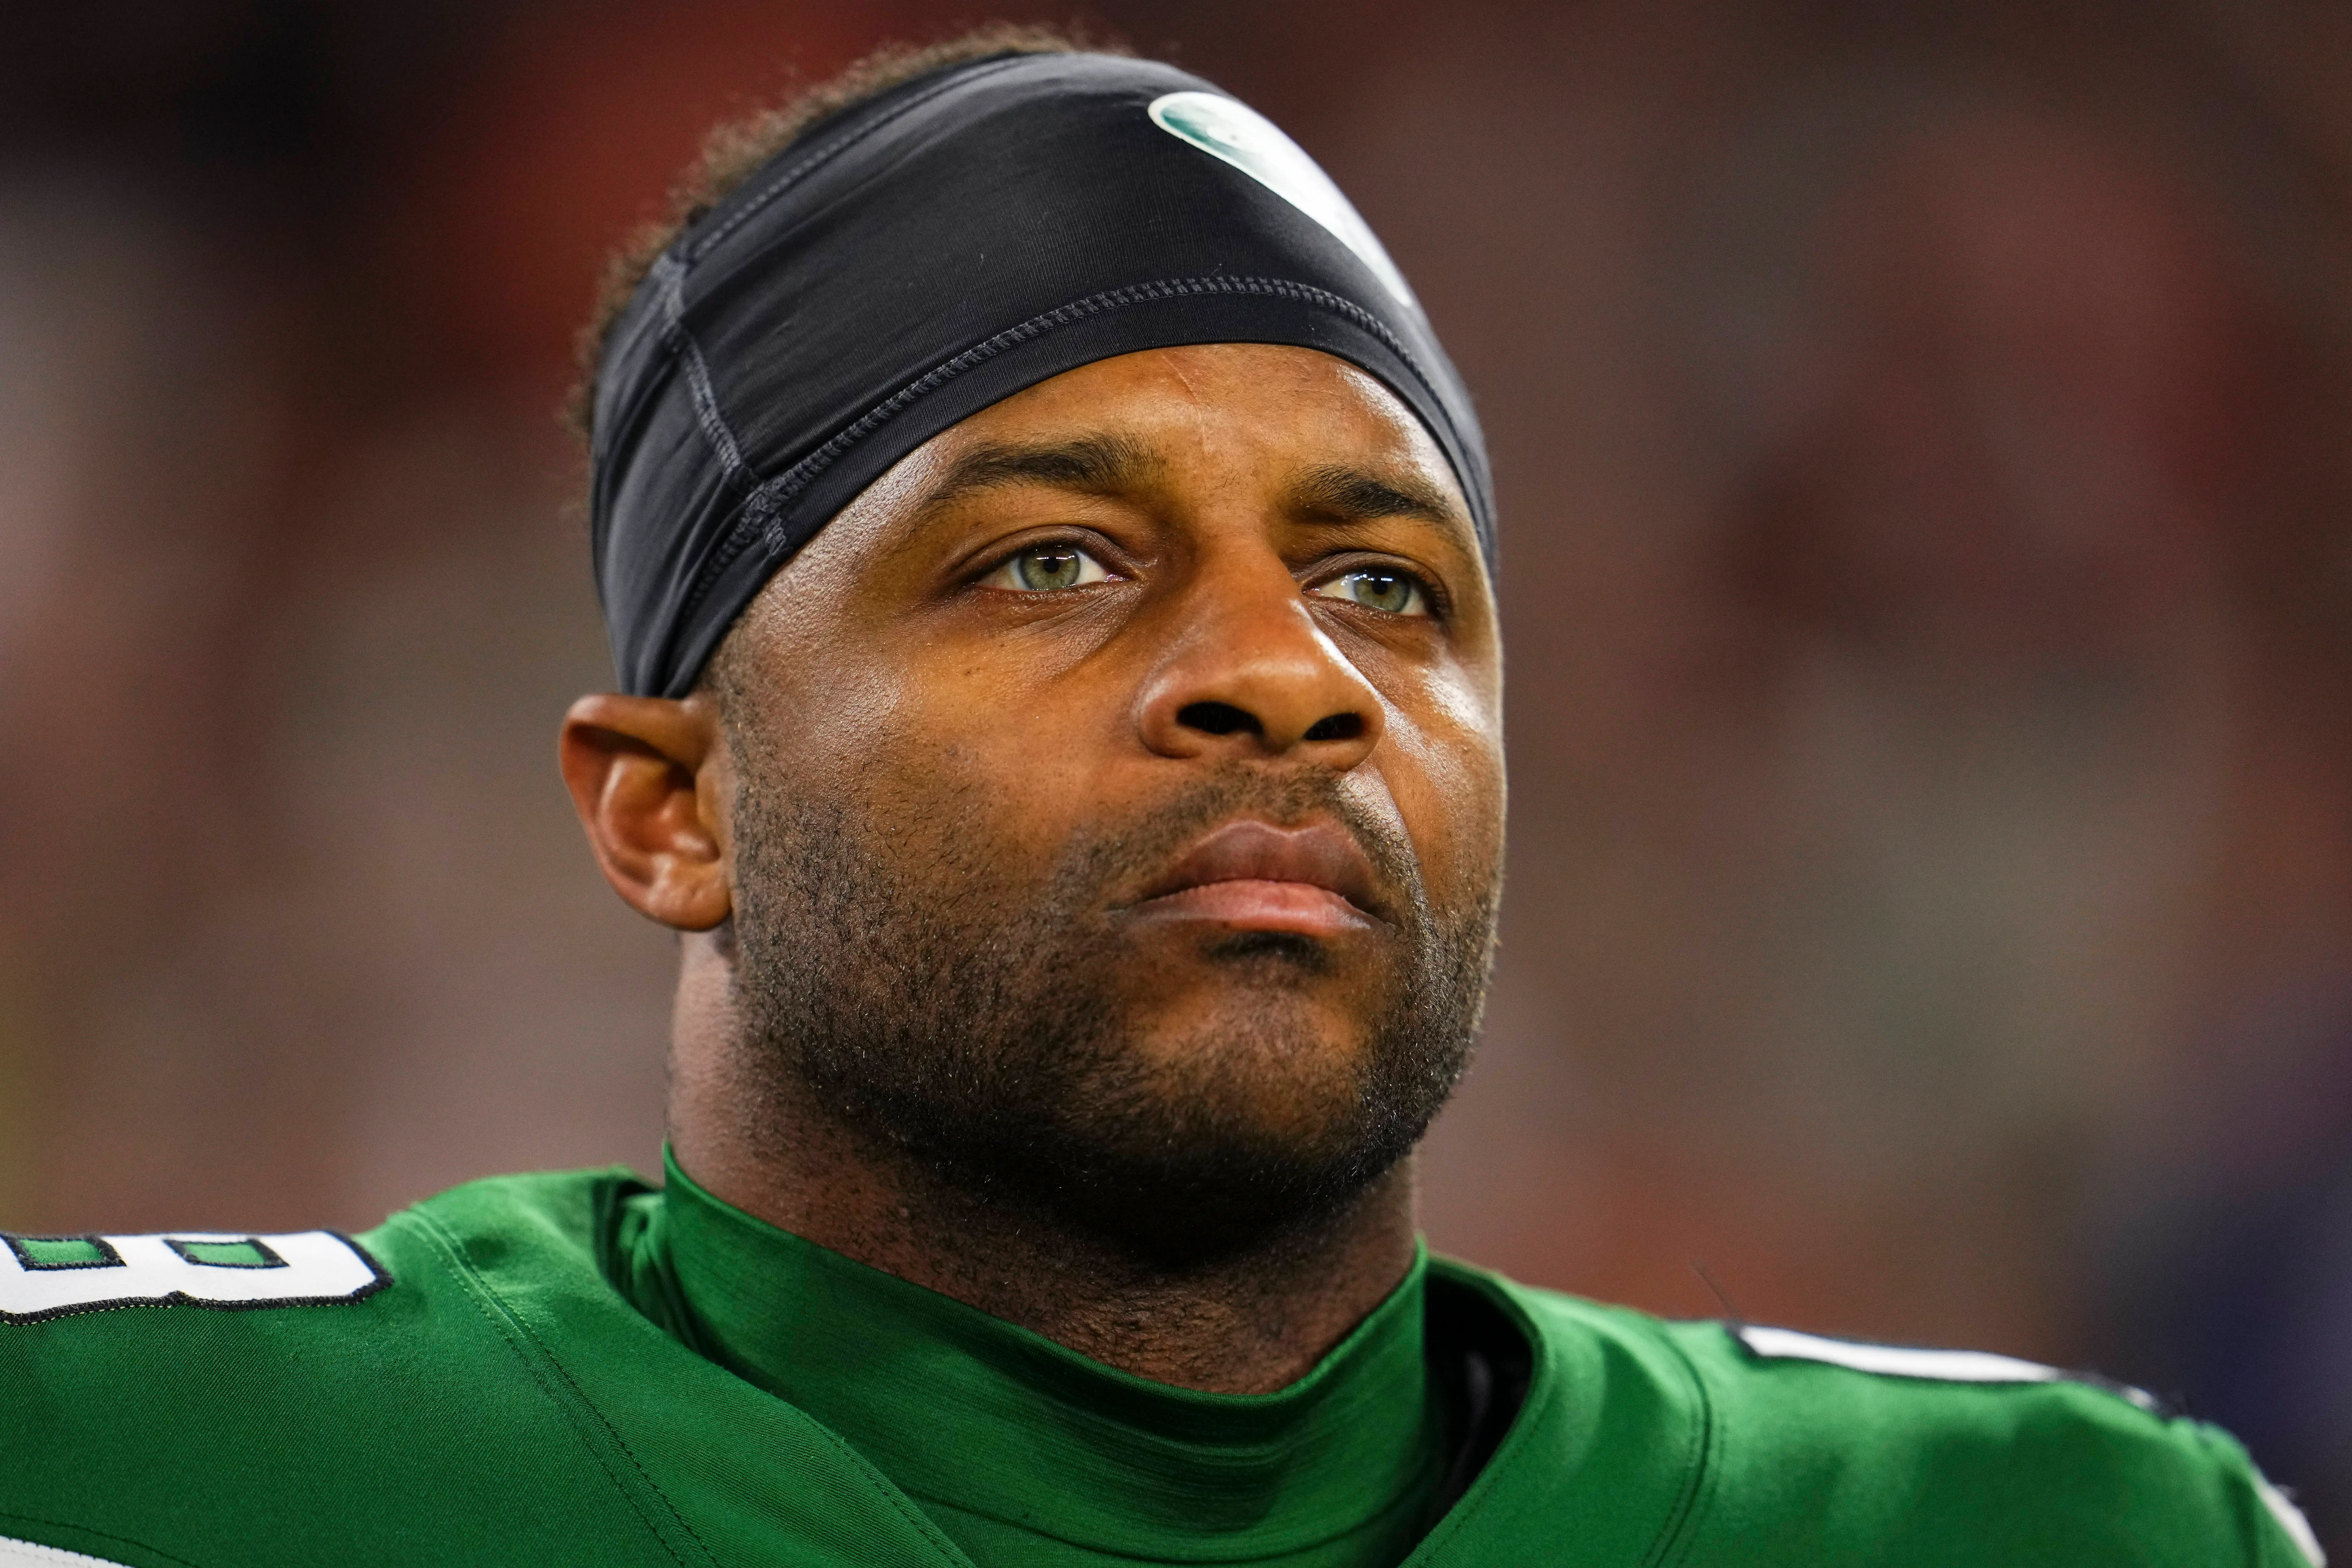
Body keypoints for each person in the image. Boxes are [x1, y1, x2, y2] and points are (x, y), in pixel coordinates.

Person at [0, 27, 2323, 1568]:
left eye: (1383, 583)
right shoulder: (124, 1476)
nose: (1277, 679)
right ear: (664, 810)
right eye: (1054, 562)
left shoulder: (2045, 1536)